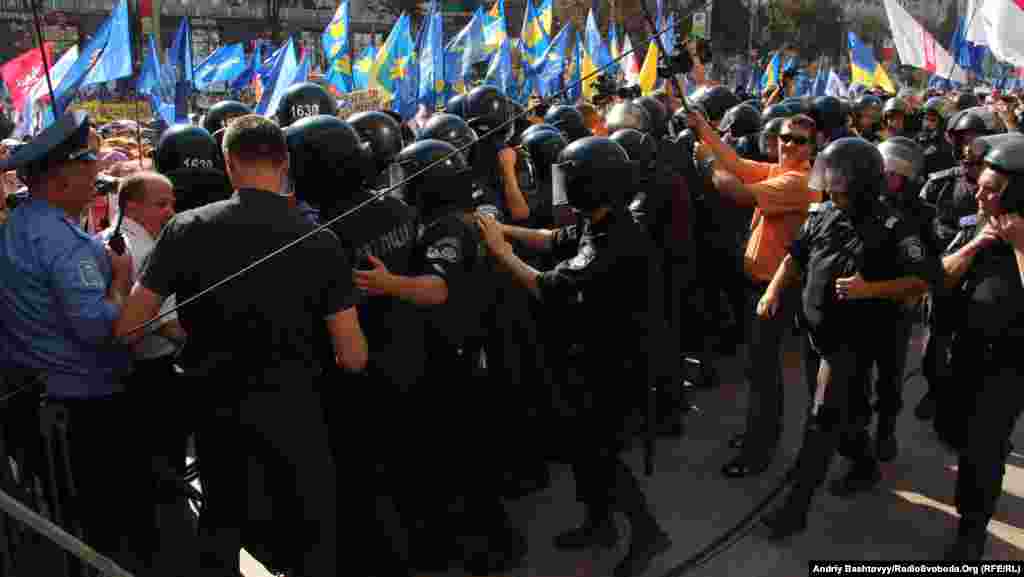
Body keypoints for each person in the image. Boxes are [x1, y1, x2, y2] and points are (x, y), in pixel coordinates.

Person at [115, 114, 367, 577]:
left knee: (221, 527)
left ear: (228, 164)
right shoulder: (321, 240)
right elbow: (353, 355)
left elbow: (130, 326)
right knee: (310, 534)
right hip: (296, 412)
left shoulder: (186, 228)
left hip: (217, 413)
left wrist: (119, 285)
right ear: (284, 163)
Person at [476, 136, 673, 577]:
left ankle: (647, 533)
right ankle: (599, 523)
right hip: (590, 358)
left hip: (614, 365)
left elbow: (549, 285)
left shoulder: (615, 240)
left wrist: (501, 252)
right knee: (584, 450)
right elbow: (551, 239)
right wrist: (501, 228)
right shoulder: (600, 220)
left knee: (601, 454)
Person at [757, 137, 942, 538]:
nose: (832, 187)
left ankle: (795, 507)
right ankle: (863, 463)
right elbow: (796, 255)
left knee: (821, 419)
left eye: (840, 181)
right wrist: (773, 290)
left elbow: (923, 279)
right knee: (843, 418)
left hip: (854, 341)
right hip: (816, 335)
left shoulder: (892, 225)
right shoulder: (822, 213)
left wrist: (868, 290)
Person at [0, 110, 155, 572]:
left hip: (44, 400)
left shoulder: (24, 226)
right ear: (61, 179)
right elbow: (101, 327)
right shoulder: (61, 243)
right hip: (76, 409)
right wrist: (121, 283)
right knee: (96, 533)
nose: (97, 184)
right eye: (90, 176)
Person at [686, 110, 819, 477]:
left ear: (813, 146)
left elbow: (735, 189)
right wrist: (705, 128)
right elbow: (739, 163)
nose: (788, 144)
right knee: (757, 368)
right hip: (759, 286)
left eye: (798, 140)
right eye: (784, 136)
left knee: (763, 373)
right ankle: (755, 436)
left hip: (774, 290)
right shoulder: (779, 172)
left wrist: (707, 158)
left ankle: (758, 451)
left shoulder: (800, 181)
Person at [937, 135, 1024, 560]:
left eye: (991, 189)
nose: (979, 193)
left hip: (1007, 369)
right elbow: (940, 278)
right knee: (956, 436)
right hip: (961, 356)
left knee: (983, 453)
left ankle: (972, 530)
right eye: (981, 185)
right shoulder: (975, 227)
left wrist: (1020, 245)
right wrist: (976, 244)